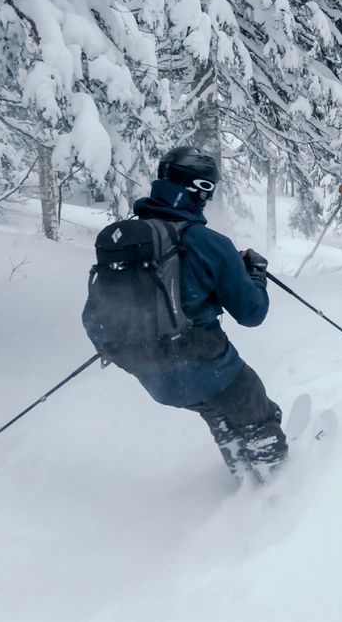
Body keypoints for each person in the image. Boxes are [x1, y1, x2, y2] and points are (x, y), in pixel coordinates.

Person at [118, 146, 286, 483]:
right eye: (209, 188)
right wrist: (254, 273)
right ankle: (279, 488)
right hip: (208, 366)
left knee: (218, 413)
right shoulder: (209, 243)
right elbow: (252, 313)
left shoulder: (128, 238)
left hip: (154, 377)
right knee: (256, 414)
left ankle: (242, 474)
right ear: (200, 188)